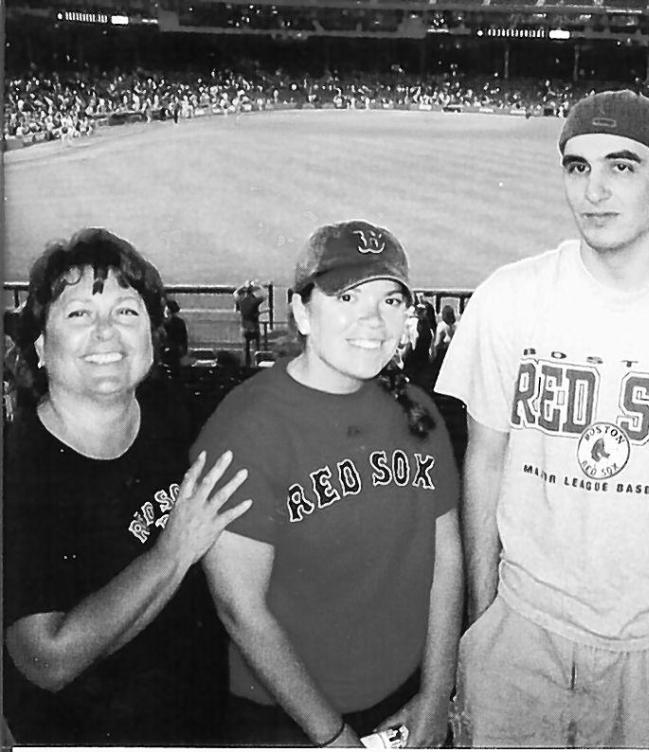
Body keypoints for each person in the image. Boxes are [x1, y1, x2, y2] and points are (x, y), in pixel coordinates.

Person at [434, 90, 649, 747]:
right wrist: (483, 622)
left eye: (622, 166)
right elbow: (485, 459)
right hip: (518, 632)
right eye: (577, 167)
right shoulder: (509, 298)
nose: (594, 191)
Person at [195, 220, 463, 747]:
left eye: (390, 300)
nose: (373, 319)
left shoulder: (416, 409)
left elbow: (446, 558)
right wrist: (332, 736)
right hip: (287, 717)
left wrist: (437, 692)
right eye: (347, 296)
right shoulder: (246, 427)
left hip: (404, 697)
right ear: (302, 312)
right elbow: (240, 610)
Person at [2, 228, 251, 745]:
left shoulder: (175, 417)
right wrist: (174, 552)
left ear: (152, 336)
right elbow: (46, 657)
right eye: (78, 314)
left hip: (202, 725)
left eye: (126, 311)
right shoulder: (18, 471)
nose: (106, 333)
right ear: (41, 347)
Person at [233, 279, 265, 366]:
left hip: (245, 328)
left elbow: (235, 293)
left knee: (246, 350)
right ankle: (258, 364)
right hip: (254, 327)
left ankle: (247, 366)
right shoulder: (254, 301)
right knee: (257, 349)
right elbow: (265, 295)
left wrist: (243, 287)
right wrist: (258, 286)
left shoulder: (241, 301)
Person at [161, 298, 189, 374]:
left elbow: (182, 341)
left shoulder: (178, 323)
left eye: (168, 313)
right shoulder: (159, 324)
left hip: (174, 354)